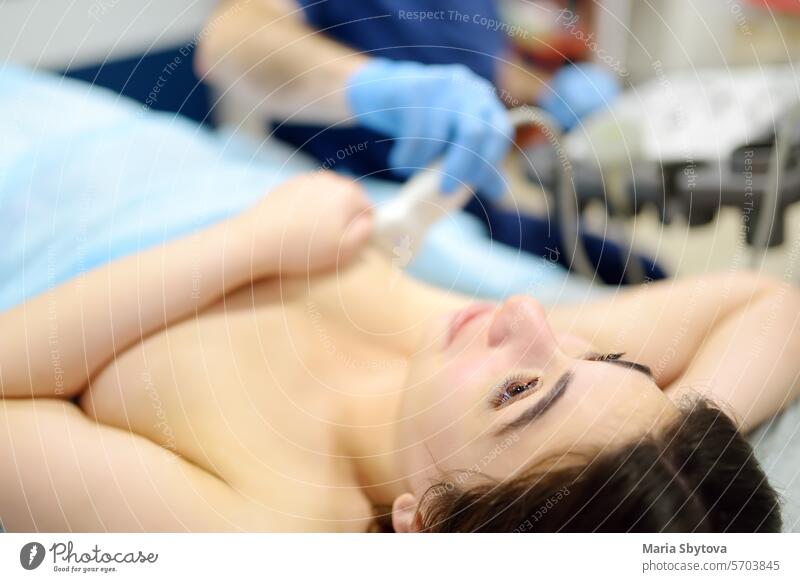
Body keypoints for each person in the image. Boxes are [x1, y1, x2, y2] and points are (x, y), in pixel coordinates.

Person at [1, 171, 796, 532]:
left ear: (427, 525)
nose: (525, 315)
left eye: (514, 394)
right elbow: (775, 305)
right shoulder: (595, 423)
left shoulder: (260, 519)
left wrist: (246, 245)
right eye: (611, 362)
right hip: (154, 155)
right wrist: (675, 450)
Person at [197, 0, 619, 200]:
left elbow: (489, 69)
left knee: (637, 269)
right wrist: (373, 86)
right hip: (370, 210)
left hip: (473, 205)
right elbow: (229, 39)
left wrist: (551, 95)